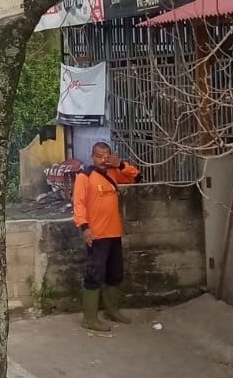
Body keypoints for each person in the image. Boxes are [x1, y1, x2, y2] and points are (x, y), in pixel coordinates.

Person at [72, 141, 141, 332]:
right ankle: (90, 317)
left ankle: (112, 310)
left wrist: (119, 164)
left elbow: (136, 176)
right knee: (94, 274)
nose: (103, 159)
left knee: (115, 273)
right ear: (92, 156)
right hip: (96, 234)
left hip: (114, 232)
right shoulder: (84, 176)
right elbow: (78, 204)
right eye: (99, 156)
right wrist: (84, 227)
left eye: (107, 156)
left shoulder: (113, 173)